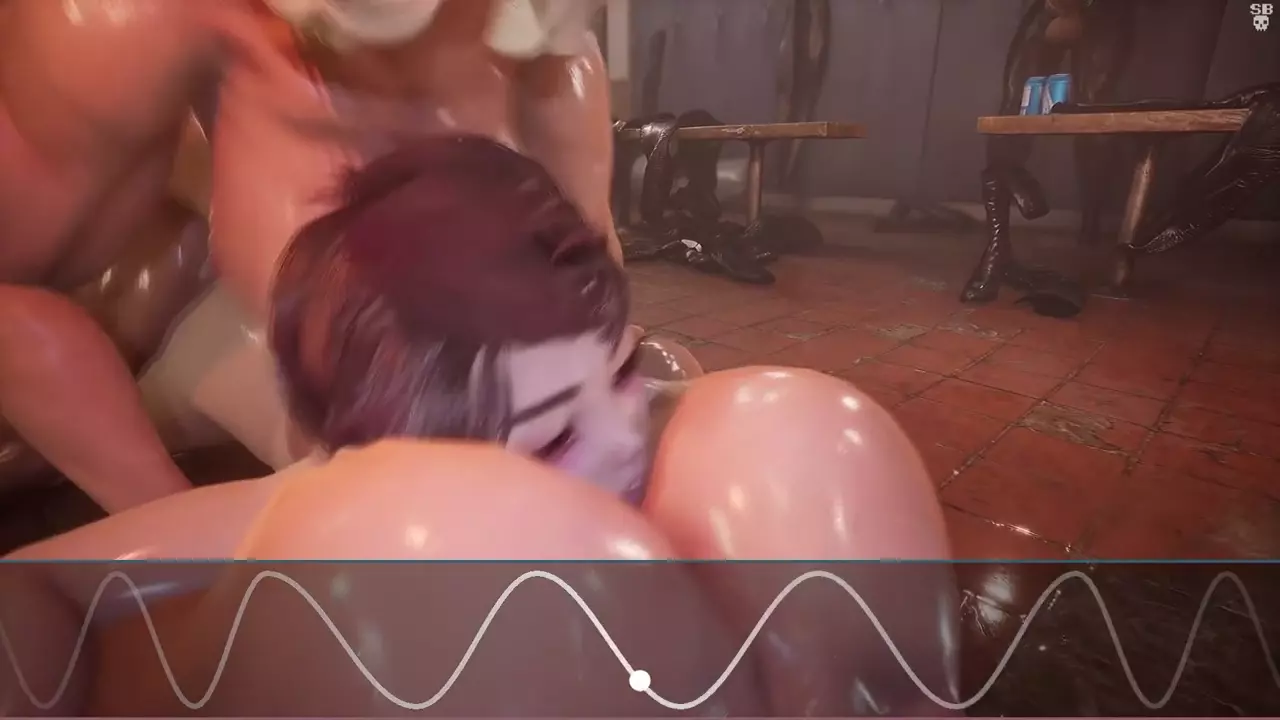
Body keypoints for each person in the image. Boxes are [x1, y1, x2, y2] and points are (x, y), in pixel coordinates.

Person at [0, 0, 619, 510]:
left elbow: (595, 317)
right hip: (151, 354)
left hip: (392, 400)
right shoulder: (125, 28)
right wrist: (171, 526)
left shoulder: (551, 64)